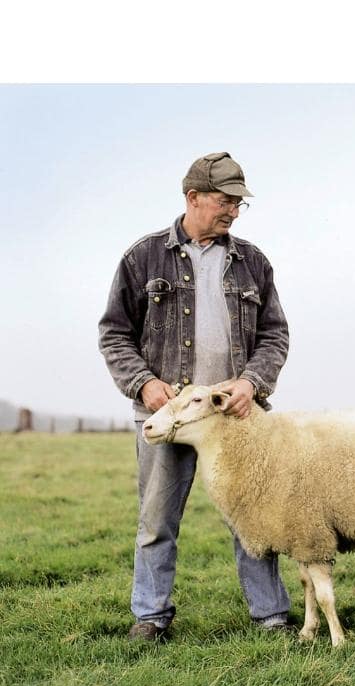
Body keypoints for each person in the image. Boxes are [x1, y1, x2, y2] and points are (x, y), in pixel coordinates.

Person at [99, 152, 292, 641]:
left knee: (253, 517)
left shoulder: (253, 262)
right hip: (166, 417)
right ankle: (150, 617)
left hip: (235, 417)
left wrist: (251, 382)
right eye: (225, 201)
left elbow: (274, 335)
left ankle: (271, 617)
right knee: (157, 518)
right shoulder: (142, 258)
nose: (232, 211)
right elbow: (114, 334)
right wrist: (144, 383)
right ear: (193, 198)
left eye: (238, 204)